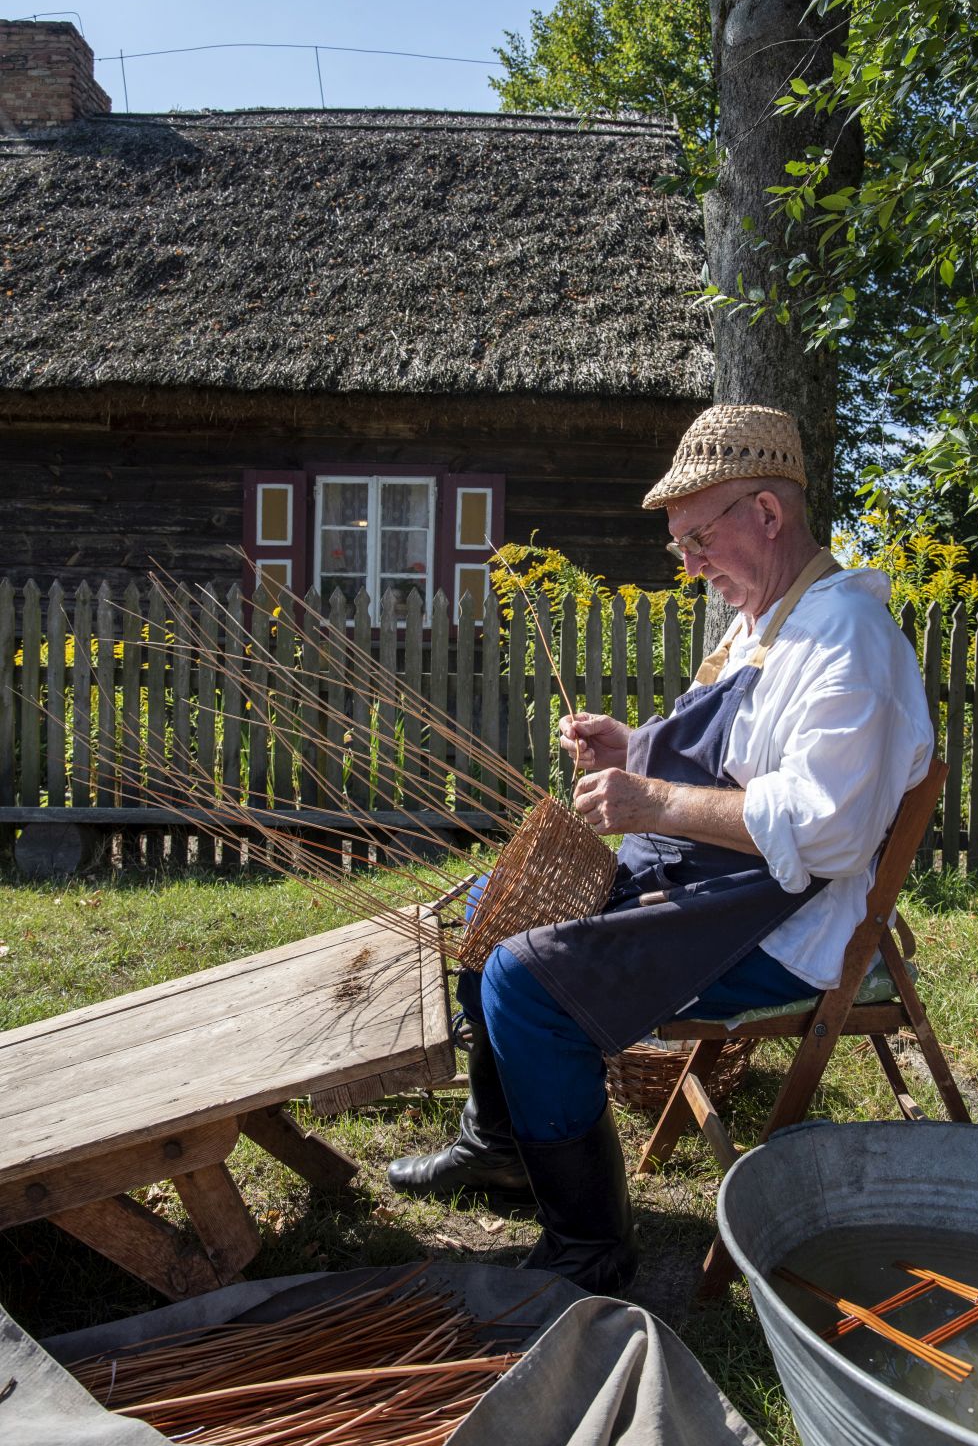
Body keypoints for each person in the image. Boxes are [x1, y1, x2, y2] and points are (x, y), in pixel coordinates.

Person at [388, 403, 933, 1294]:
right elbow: (722, 751)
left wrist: (650, 797)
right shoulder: (763, 622)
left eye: (697, 539)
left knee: (528, 980)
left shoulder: (848, 641)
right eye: (678, 546)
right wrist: (629, 748)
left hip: (776, 924)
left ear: (767, 512)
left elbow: (827, 832)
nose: (689, 565)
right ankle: (501, 1150)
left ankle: (591, 1245)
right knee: (495, 906)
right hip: (702, 871)